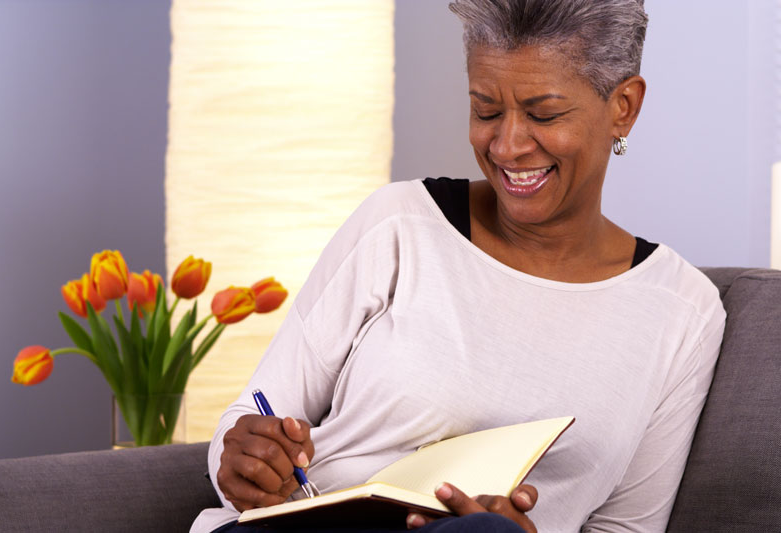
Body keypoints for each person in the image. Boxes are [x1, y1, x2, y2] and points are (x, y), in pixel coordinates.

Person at [191, 0, 726, 531]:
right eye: (486, 110)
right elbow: (251, 418)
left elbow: (629, 528)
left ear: (624, 106)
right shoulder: (399, 225)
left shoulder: (682, 312)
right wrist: (242, 459)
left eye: (543, 114)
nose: (507, 145)